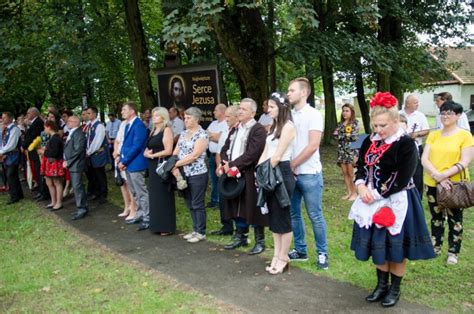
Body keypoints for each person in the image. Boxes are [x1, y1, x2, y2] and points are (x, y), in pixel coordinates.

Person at [349, 92, 435, 307]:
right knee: (379, 244)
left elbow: (401, 177)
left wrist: (375, 194)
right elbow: (361, 166)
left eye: (383, 126)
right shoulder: (370, 140)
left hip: (398, 201)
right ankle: (381, 286)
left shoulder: (405, 144)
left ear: (396, 121)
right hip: (371, 200)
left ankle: (394, 289)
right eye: (375, 125)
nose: (378, 130)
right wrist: (360, 186)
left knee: (396, 248)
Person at [421, 100, 473, 265]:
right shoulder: (434, 134)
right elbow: (424, 158)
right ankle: (435, 247)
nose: (445, 116)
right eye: (443, 113)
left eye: (449, 113)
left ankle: (453, 252)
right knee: (436, 217)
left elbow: (464, 161)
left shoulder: (465, 135)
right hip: (431, 182)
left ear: (458, 115)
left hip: (454, 185)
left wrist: (444, 176)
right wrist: (437, 176)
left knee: (454, 219)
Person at [287, 77, 329, 269]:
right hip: (291, 173)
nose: (288, 93)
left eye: (292, 90)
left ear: (304, 92)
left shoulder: (313, 115)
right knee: (294, 214)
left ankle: (322, 253)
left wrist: (294, 163)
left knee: (315, 215)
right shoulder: (289, 115)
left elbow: (313, 145)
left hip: (309, 173)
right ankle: (300, 249)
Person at [219, 98, 268, 255]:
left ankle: (260, 240)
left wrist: (232, 164)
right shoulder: (235, 128)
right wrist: (224, 163)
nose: (239, 111)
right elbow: (225, 147)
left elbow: (252, 154)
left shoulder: (258, 129)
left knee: (252, 206)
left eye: (244, 109)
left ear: (253, 113)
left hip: (249, 173)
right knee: (236, 204)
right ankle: (241, 236)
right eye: (239, 108)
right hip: (233, 173)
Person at [257, 92, 296, 274]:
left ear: (281, 108)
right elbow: (265, 151)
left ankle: (283, 257)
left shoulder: (288, 127)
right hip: (269, 171)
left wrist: (265, 173)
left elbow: (277, 155)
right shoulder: (273, 127)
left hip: (282, 172)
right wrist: (259, 172)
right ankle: (276, 254)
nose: (268, 110)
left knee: (283, 217)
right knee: (273, 217)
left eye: (272, 107)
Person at [173, 107, 209, 243]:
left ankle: (201, 232)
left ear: (196, 119)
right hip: (183, 173)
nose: (185, 120)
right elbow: (175, 152)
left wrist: (177, 164)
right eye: (185, 117)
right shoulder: (183, 134)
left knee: (197, 203)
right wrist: (173, 165)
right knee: (189, 202)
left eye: (188, 118)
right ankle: (195, 229)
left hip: (197, 173)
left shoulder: (202, 134)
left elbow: (194, 156)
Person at [144, 107, 175, 235]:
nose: (154, 117)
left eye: (157, 115)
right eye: (153, 115)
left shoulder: (166, 130)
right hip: (152, 165)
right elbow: (150, 146)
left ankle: (166, 226)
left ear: (163, 117)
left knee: (163, 194)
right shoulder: (153, 130)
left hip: (161, 165)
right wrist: (147, 152)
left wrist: (152, 155)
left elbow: (168, 150)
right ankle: (156, 224)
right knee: (155, 195)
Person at [119, 102, 150, 231]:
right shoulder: (128, 125)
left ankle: (147, 217)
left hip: (136, 163)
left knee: (141, 191)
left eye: (124, 109)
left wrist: (124, 161)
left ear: (132, 111)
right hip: (129, 163)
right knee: (134, 192)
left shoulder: (138, 125)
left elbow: (137, 146)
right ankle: (139, 213)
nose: (122, 112)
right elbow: (126, 145)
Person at [210, 105, 239, 236]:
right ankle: (226, 226)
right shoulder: (226, 131)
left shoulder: (240, 131)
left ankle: (240, 229)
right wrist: (218, 166)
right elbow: (219, 151)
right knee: (223, 199)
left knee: (236, 199)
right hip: (223, 169)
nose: (226, 119)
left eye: (228, 116)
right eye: (225, 116)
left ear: (236, 117)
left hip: (235, 169)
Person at [399, 95, 430, 198]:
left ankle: (417, 196)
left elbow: (426, 130)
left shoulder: (420, 115)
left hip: (416, 148)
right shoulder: (398, 114)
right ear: (408, 103)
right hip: (400, 148)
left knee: (417, 173)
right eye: (415, 102)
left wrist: (417, 134)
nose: (418, 104)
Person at [63, 116, 88, 220]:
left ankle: (82, 208)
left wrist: (68, 161)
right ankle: (82, 207)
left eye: (69, 121)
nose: (67, 122)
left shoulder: (78, 133)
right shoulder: (73, 132)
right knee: (77, 186)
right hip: (74, 163)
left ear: (75, 122)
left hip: (76, 164)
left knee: (77, 186)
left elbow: (78, 150)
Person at [333, 103, 359, 201]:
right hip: (341, 151)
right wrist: (342, 135)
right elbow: (334, 135)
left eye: (347, 111)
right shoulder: (340, 124)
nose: (344, 113)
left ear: (351, 112)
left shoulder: (355, 123)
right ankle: (349, 192)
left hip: (350, 151)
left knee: (351, 173)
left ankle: (354, 193)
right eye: (343, 111)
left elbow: (353, 137)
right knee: (345, 173)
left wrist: (340, 135)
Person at [114, 118, 137, 221]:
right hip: (119, 156)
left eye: (125, 109)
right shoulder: (123, 123)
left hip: (126, 157)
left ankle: (133, 208)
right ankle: (126, 207)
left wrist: (123, 157)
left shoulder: (135, 124)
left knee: (129, 183)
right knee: (122, 183)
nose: (122, 112)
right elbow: (117, 140)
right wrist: (116, 152)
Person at [85, 106, 109, 204]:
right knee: (94, 175)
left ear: (95, 114)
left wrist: (89, 151)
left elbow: (97, 141)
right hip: (91, 154)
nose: (87, 115)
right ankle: (97, 192)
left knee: (100, 174)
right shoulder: (89, 125)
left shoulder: (99, 126)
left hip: (98, 153)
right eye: (87, 113)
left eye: (89, 113)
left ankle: (103, 194)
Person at [206, 103, 228, 208]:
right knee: (213, 178)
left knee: (221, 177)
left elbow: (220, 139)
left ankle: (221, 201)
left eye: (216, 110)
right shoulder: (213, 123)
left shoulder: (226, 124)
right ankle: (214, 200)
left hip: (221, 156)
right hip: (211, 155)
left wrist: (211, 135)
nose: (214, 112)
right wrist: (212, 136)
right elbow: (206, 134)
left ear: (222, 112)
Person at [40, 120, 65, 211]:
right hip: (49, 163)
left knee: (57, 182)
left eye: (45, 127)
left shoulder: (56, 138)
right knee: (49, 182)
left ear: (49, 127)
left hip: (54, 163)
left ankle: (59, 202)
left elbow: (54, 152)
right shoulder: (52, 137)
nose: (44, 129)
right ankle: (53, 201)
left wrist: (43, 151)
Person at [0, 112, 23, 205]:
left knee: (10, 175)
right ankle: (19, 194)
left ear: (10, 118)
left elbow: (11, 145)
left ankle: (14, 196)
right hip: (7, 155)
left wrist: (1, 152)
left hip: (13, 155)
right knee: (13, 176)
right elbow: (2, 142)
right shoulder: (5, 129)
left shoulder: (15, 129)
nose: (3, 119)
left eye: (5, 117)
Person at [22, 107, 44, 198]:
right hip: (32, 151)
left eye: (28, 113)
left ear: (34, 113)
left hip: (35, 150)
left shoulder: (38, 122)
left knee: (39, 171)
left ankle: (43, 192)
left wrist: (23, 145)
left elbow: (32, 136)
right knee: (36, 170)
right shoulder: (33, 123)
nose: (27, 115)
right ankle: (40, 191)